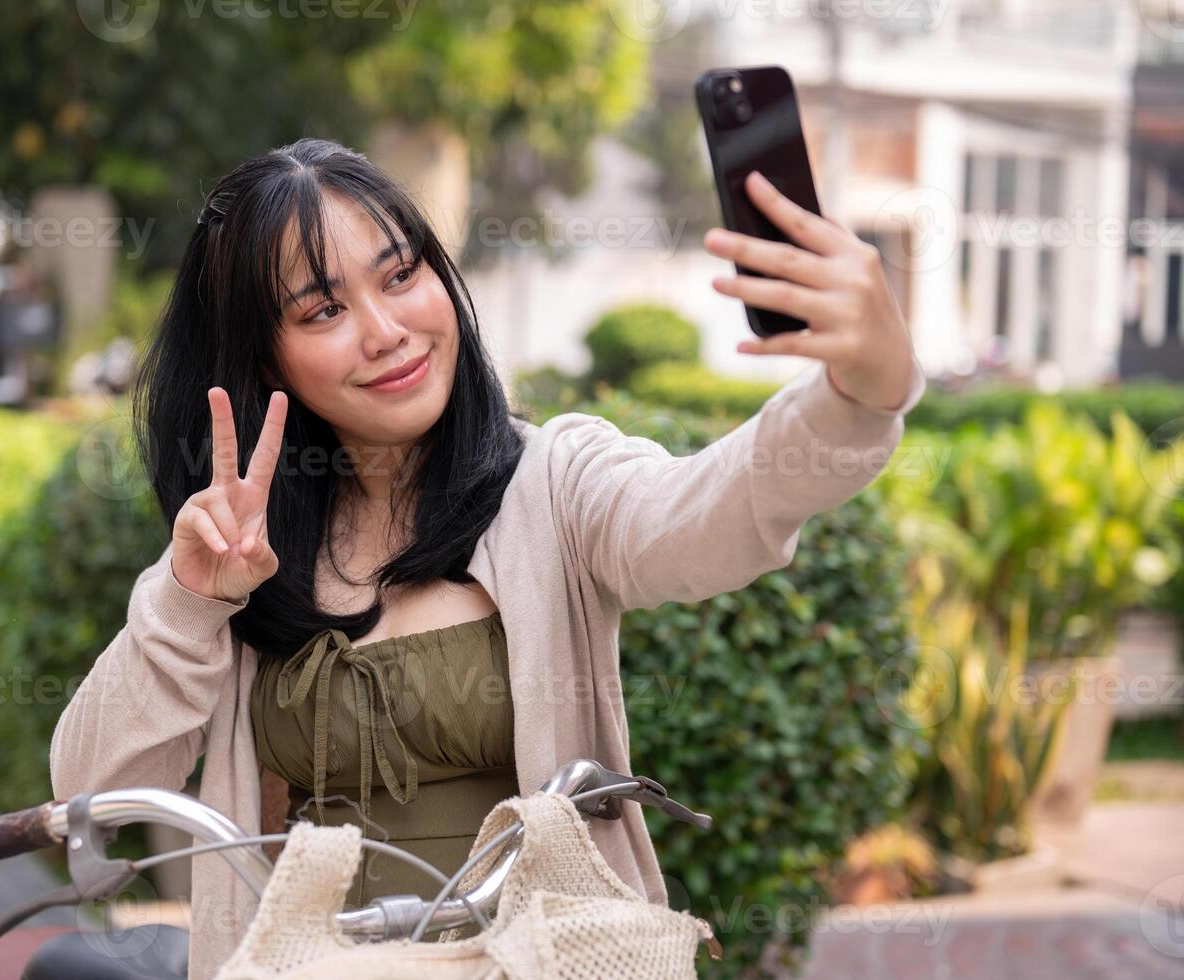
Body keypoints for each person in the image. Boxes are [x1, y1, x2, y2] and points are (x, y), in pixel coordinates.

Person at [48, 137, 925, 980]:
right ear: (259, 355)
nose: (386, 330)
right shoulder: (244, 550)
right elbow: (93, 792)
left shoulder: (553, 483)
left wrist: (854, 394)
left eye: (401, 275)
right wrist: (189, 600)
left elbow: (710, 511)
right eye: (323, 310)